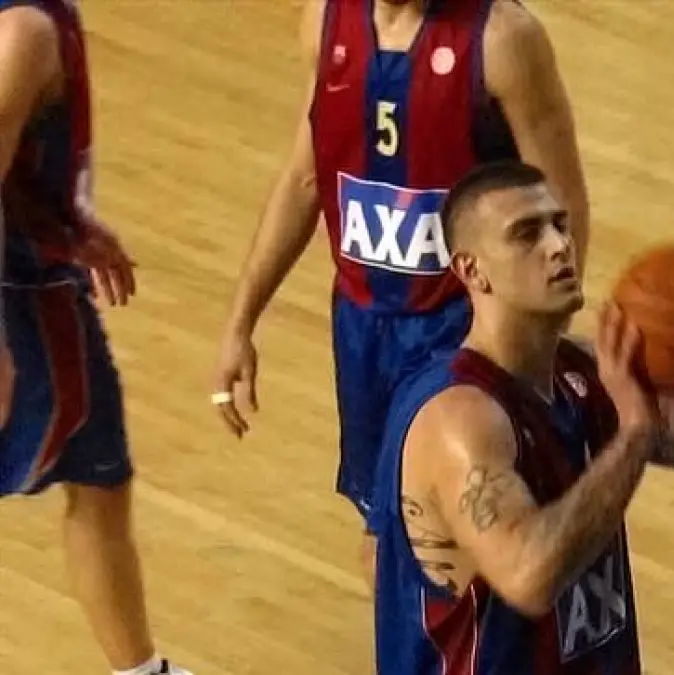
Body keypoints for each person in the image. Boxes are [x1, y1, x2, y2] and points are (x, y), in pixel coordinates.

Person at [211, 0, 590, 587]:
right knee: (386, 544)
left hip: (468, 333)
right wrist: (241, 322)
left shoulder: (503, 41)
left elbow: (562, 201)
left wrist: (540, 348)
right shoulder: (325, 22)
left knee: (471, 552)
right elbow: (305, 178)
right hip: (365, 333)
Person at [368, 160, 674, 674]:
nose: (558, 246)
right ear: (472, 270)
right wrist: (635, 435)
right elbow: (530, 577)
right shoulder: (459, 418)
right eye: (527, 234)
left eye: (560, 225)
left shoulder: (589, 375)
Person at [0, 2, 192, 674]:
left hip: (39, 277)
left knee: (99, 475)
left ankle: (140, 670)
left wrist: (62, 221)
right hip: (17, 294)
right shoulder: (23, 32)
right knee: (93, 476)